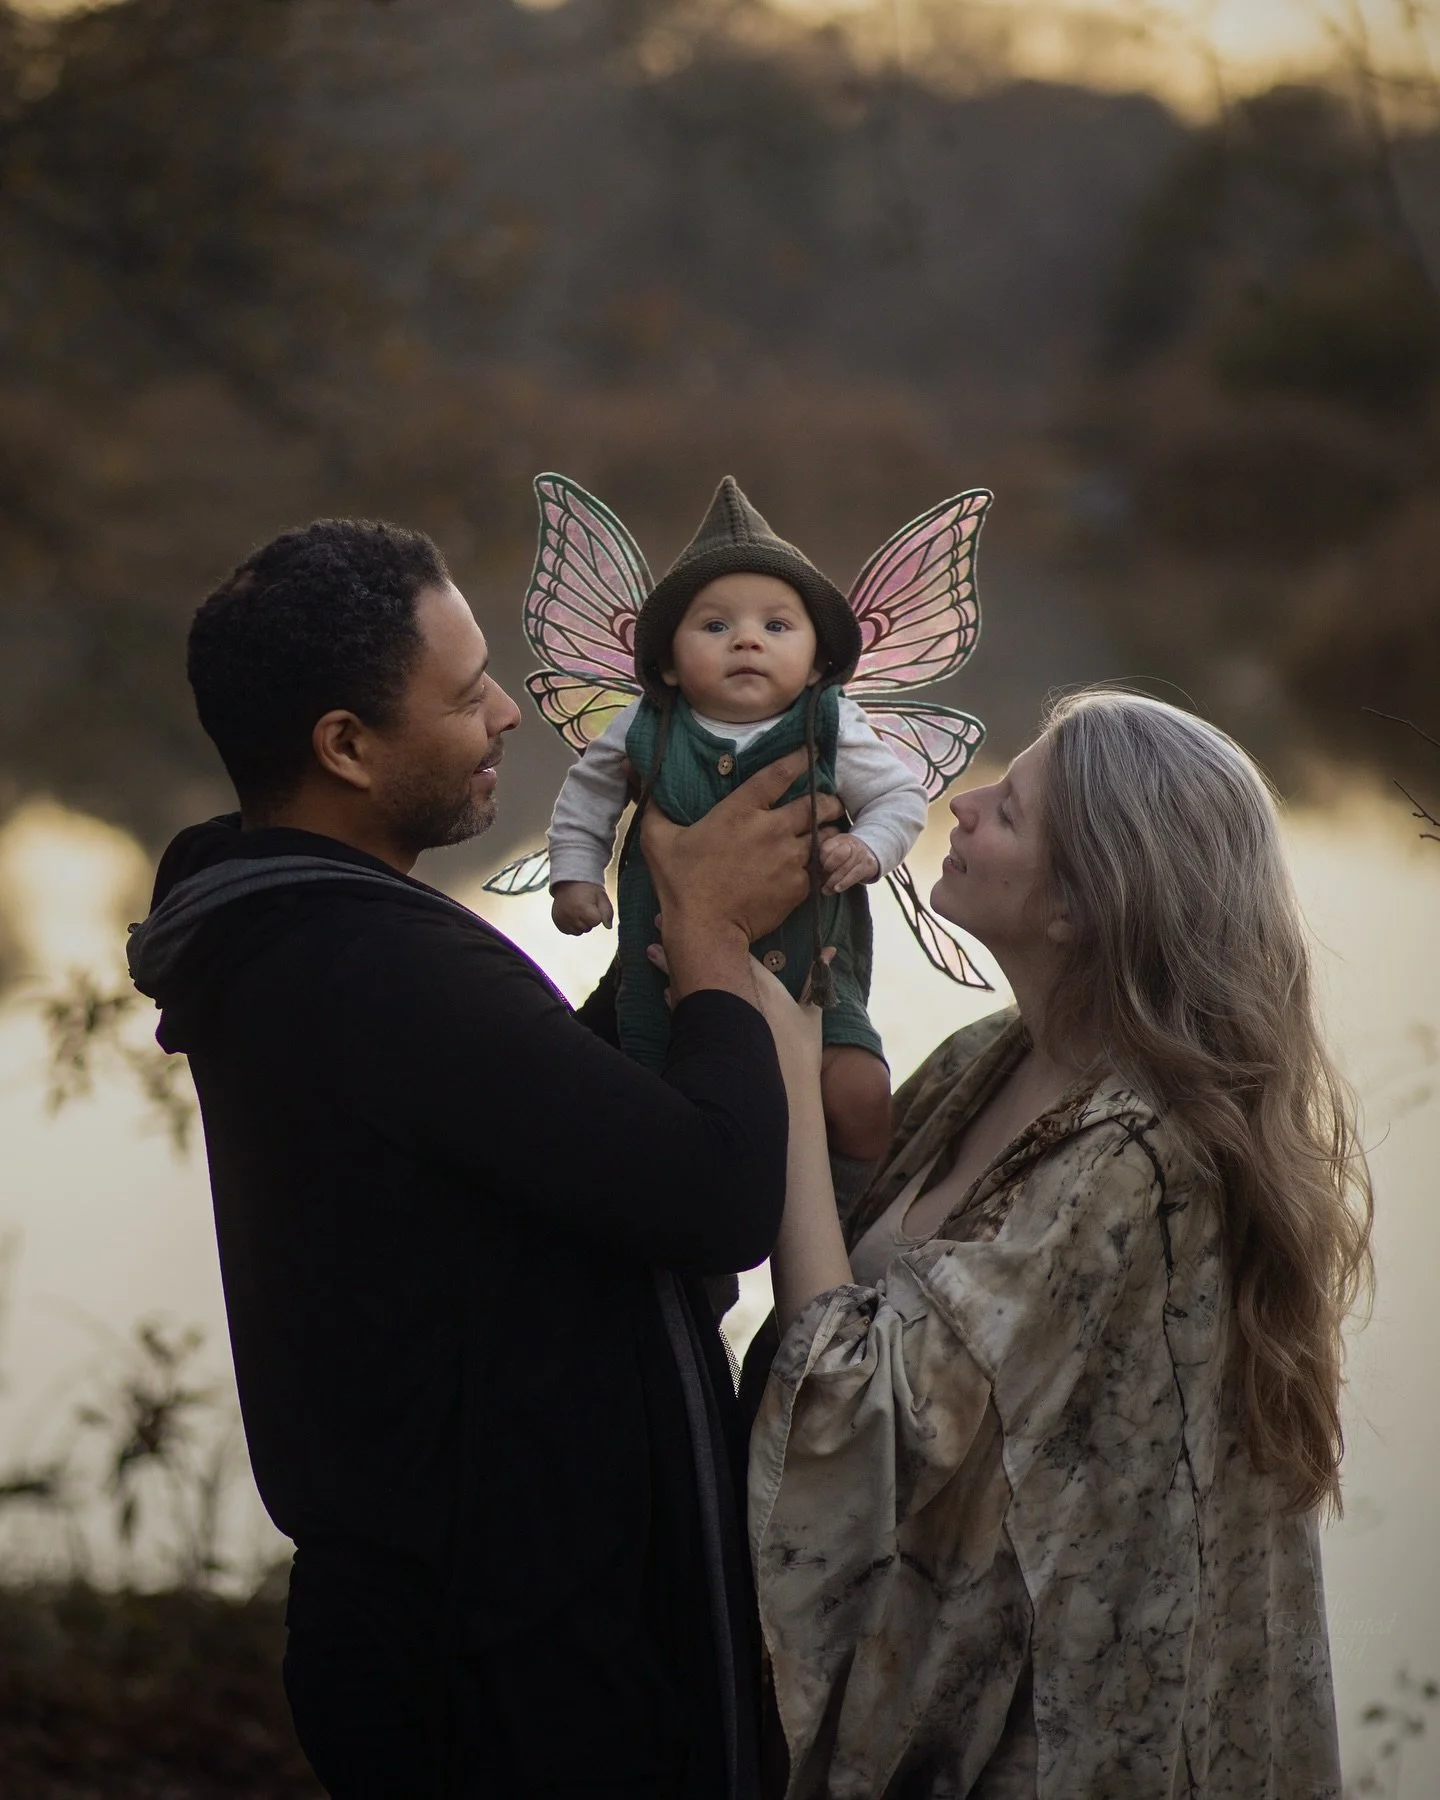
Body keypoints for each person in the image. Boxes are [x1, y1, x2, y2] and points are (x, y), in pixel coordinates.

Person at [125, 517, 841, 1800]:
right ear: (344, 746)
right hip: (508, 1673)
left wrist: (670, 922)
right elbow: (708, 1194)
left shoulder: (307, 933)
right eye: (465, 695)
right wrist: (712, 925)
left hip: (480, 1631)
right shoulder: (370, 964)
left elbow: (550, 1124)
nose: (511, 714)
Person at [744, 689, 1373, 1799]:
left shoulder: (1141, 1158)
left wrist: (793, 1080)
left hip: (1061, 1744)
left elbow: (857, 1409)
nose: (965, 802)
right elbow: (842, 1256)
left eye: (1012, 809)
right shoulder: (990, 1057)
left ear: (1082, 902)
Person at [546, 476, 929, 1175]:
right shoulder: (645, 725)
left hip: (818, 972)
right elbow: (586, 793)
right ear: (665, 660)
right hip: (675, 976)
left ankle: (848, 1222)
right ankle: (703, 1264)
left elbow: (901, 798)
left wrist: (867, 847)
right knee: (670, 1113)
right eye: (715, 626)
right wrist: (574, 874)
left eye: (776, 627)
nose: (746, 641)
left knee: (859, 1094)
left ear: (819, 663)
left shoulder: (834, 723)